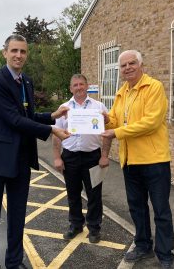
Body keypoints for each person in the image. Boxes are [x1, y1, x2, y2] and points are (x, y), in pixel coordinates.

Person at [0, 34, 70, 269]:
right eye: (14, 51)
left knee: (18, 216)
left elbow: (27, 116)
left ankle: (14, 262)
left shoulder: (26, 81)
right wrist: (51, 129)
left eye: (23, 52)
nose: (19, 55)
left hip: (20, 159)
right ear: (5, 53)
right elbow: (13, 120)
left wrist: (52, 115)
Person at [101, 50, 174, 269]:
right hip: (130, 161)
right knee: (137, 207)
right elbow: (114, 119)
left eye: (132, 63)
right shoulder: (122, 92)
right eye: (123, 65)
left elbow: (151, 123)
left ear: (141, 65)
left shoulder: (154, 87)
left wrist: (117, 133)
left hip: (154, 160)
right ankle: (142, 245)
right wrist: (102, 120)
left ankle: (165, 254)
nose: (127, 68)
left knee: (161, 209)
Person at [52, 74, 112, 244]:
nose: (79, 87)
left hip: (93, 156)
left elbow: (107, 134)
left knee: (94, 195)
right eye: (75, 85)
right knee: (73, 193)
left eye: (82, 84)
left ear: (87, 86)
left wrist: (104, 156)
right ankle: (76, 225)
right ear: (71, 88)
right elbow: (56, 136)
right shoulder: (64, 108)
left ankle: (94, 228)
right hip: (70, 156)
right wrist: (57, 157)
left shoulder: (98, 107)